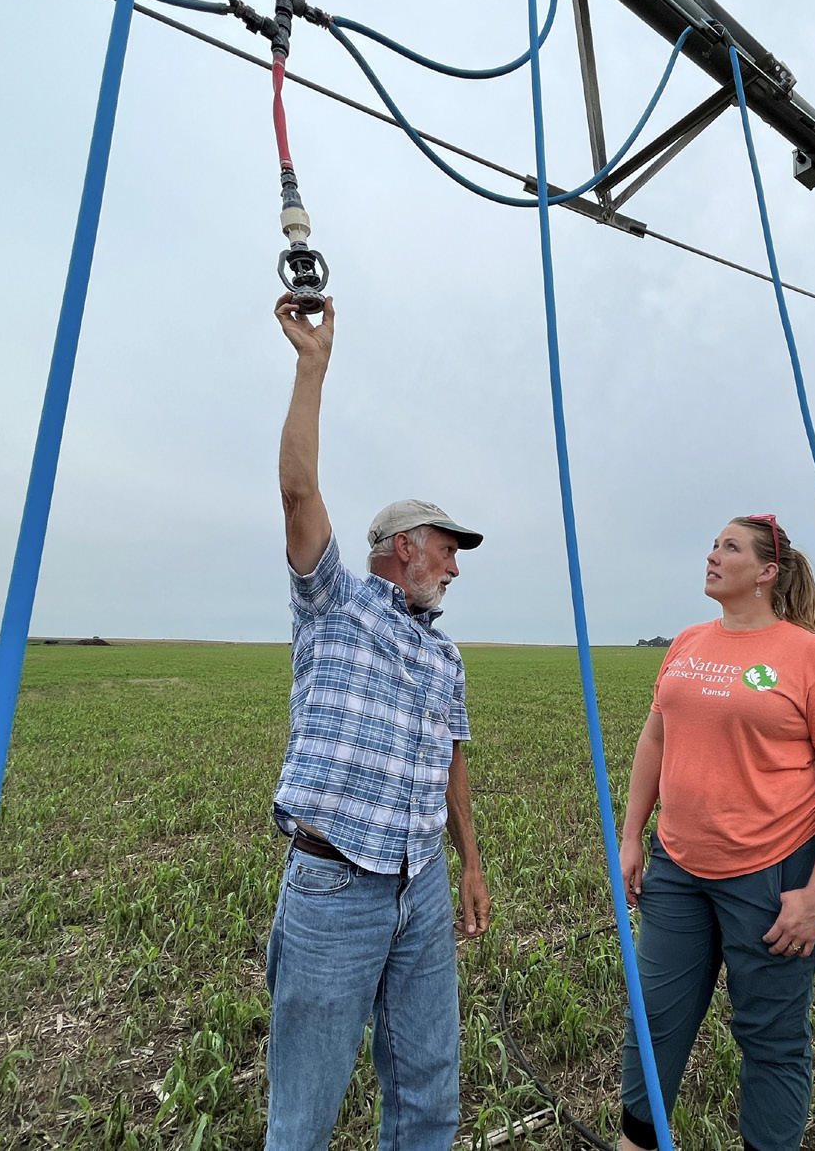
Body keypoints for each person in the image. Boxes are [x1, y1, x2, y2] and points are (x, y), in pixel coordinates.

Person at [265, 291, 491, 1151]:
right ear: (402, 545)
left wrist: (469, 863)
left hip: (420, 884)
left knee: (431, 1097)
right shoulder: (336, 601)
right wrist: (311, 366)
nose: (455, 567)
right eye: (447, 549)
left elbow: (451, 760)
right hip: (336, 886)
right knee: (305, 1117)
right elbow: (297, 490)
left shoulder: (444, 655)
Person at [617, 515, 815, 1151]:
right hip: (677, 865)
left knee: (770, 1035)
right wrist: (630, 835)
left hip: (772, 868)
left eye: (729, 547)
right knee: (654, 1021)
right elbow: (655, 738)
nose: (711, 555)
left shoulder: (814, 658)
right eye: (712, 544)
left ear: (766, 572)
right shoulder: (687, 642)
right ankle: (638, 1139)